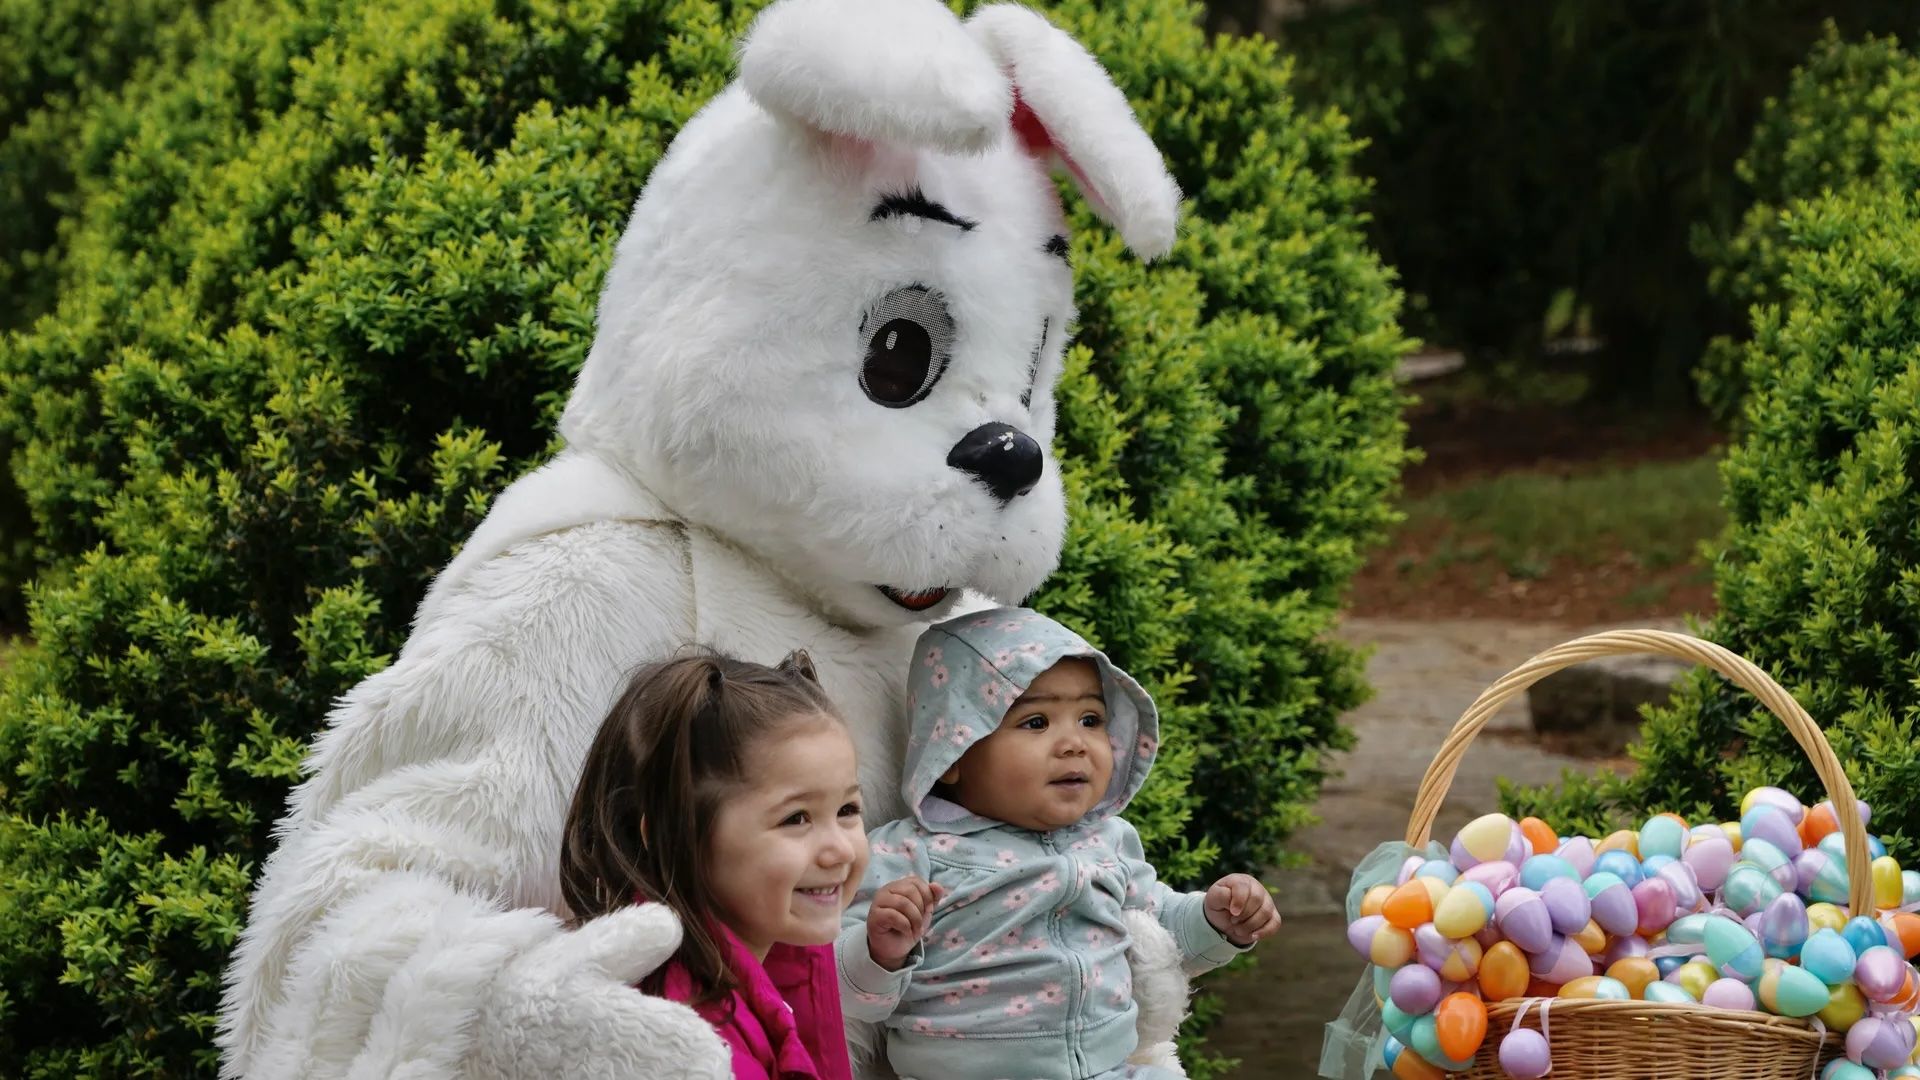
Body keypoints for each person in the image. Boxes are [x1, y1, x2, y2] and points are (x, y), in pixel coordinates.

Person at [837, 608, 1282, 1079]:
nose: (1075, 744)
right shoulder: (911, 854)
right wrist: (880, 950)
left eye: (1091, 719)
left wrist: (1218, 920)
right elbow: (842, 990)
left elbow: (1163, 934)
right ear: (953, 752)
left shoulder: (1109, 841)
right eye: (1036, 723)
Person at [560, 649, 923, 1080]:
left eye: (847, 809)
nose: (841, 850)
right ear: (670, 836)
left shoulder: (775, 949)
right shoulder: (688, 1043)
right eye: (796, 818)